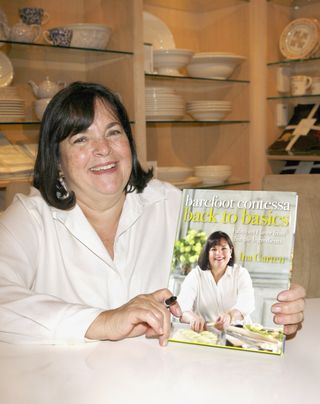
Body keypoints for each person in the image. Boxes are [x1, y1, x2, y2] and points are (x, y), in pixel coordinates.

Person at [0, 82, 305, 346]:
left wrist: (277, 307)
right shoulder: (30, 217)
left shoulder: (169, 203)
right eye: (81, 139)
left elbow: (236, 281)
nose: (104, 149)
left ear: (129, 144)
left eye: (113, 132)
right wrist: (103, 321)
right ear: (56, 159)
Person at [178, 231, 255, 332]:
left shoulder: (241, 273)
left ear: (231, 251)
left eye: (223, 248)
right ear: (207, 253)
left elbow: (246, 304)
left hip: (238, 332)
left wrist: (230, 316)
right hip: (206, 333)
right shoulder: (195, 275)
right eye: (214, 249)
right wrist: (193, 318)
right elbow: (182, 310)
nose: (219, 253)